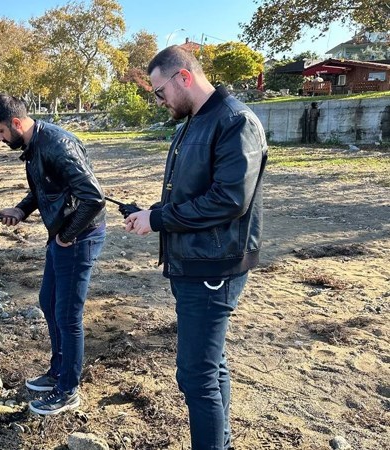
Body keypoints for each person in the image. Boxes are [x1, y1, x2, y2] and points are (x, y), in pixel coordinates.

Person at [125, 46, 267, 449]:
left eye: (159, 91)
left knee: (194, 375)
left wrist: (161, 219)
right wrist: (152, 213)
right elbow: (193, 192)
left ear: (183, 77)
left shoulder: (234, 121)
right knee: (211, 366)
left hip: (214, 266)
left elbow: (228, 200)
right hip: (194, 260)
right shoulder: (193, 121)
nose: (160, 100)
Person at [0, 94, 106, 415]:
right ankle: (58, 372)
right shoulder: (34, 146)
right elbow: (42, 189)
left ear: (17, 123)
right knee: (47, 301)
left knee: (67, 314)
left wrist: (66, 236)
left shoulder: (57, 145)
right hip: (62, 236)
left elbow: (94, 198)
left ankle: (68, 389)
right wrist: (21, 211)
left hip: (79, 237)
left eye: (0, 132)